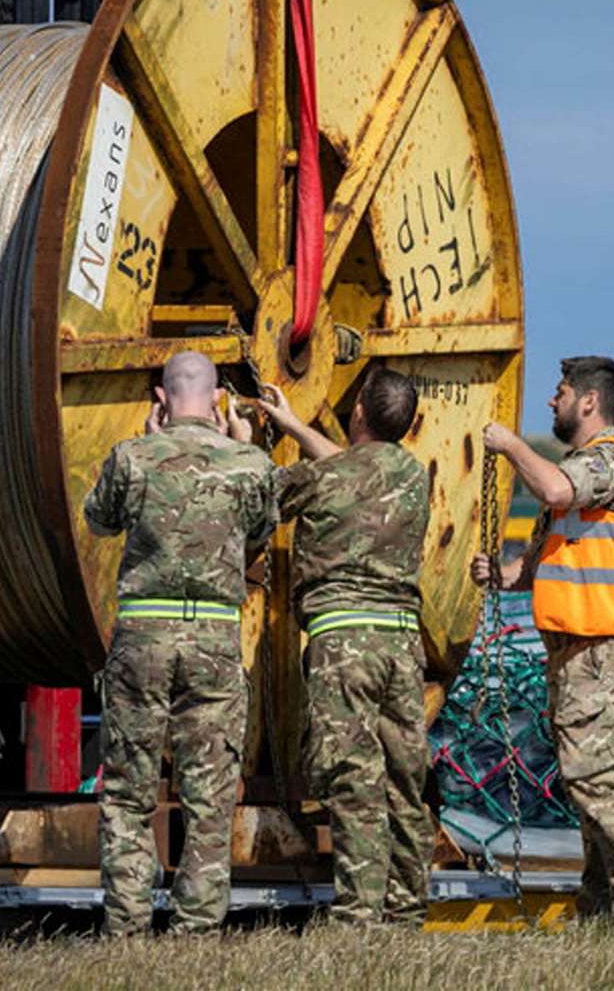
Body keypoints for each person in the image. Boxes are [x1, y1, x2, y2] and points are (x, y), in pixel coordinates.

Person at [469, 355, 614, 927]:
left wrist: (508, 445)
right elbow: (542, 564)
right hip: (575, 650)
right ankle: (601, 904)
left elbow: (555, 490)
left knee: (596, 780)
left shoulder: (610, 462)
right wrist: (503, 576)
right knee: (586, 784)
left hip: (606, 648)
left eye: (559, 393)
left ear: (588, 402)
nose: (550, 402)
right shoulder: (583, 470)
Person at [84, 350, 276, 936]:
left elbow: (98, 520)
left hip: (143, 636)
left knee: (128, 791)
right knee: (211, 793)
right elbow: (261, 532)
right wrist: (246, 444)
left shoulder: (132, 458)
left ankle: (127, 925)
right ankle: (195, 928)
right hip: (213, 639)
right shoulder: (248, 465)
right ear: (219, 399)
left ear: (161, 400)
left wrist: (147, 443)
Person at [254, 369, 433, 925]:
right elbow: (355, 469)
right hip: (403, 645)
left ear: (358, 412)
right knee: (405, 778)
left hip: (343, 643)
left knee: (354, 779)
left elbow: (261, 501)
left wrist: (244, 438)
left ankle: (358, 914)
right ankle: (407, 908)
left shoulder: (320, 479)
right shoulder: (412, 475)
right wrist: (295, 424)